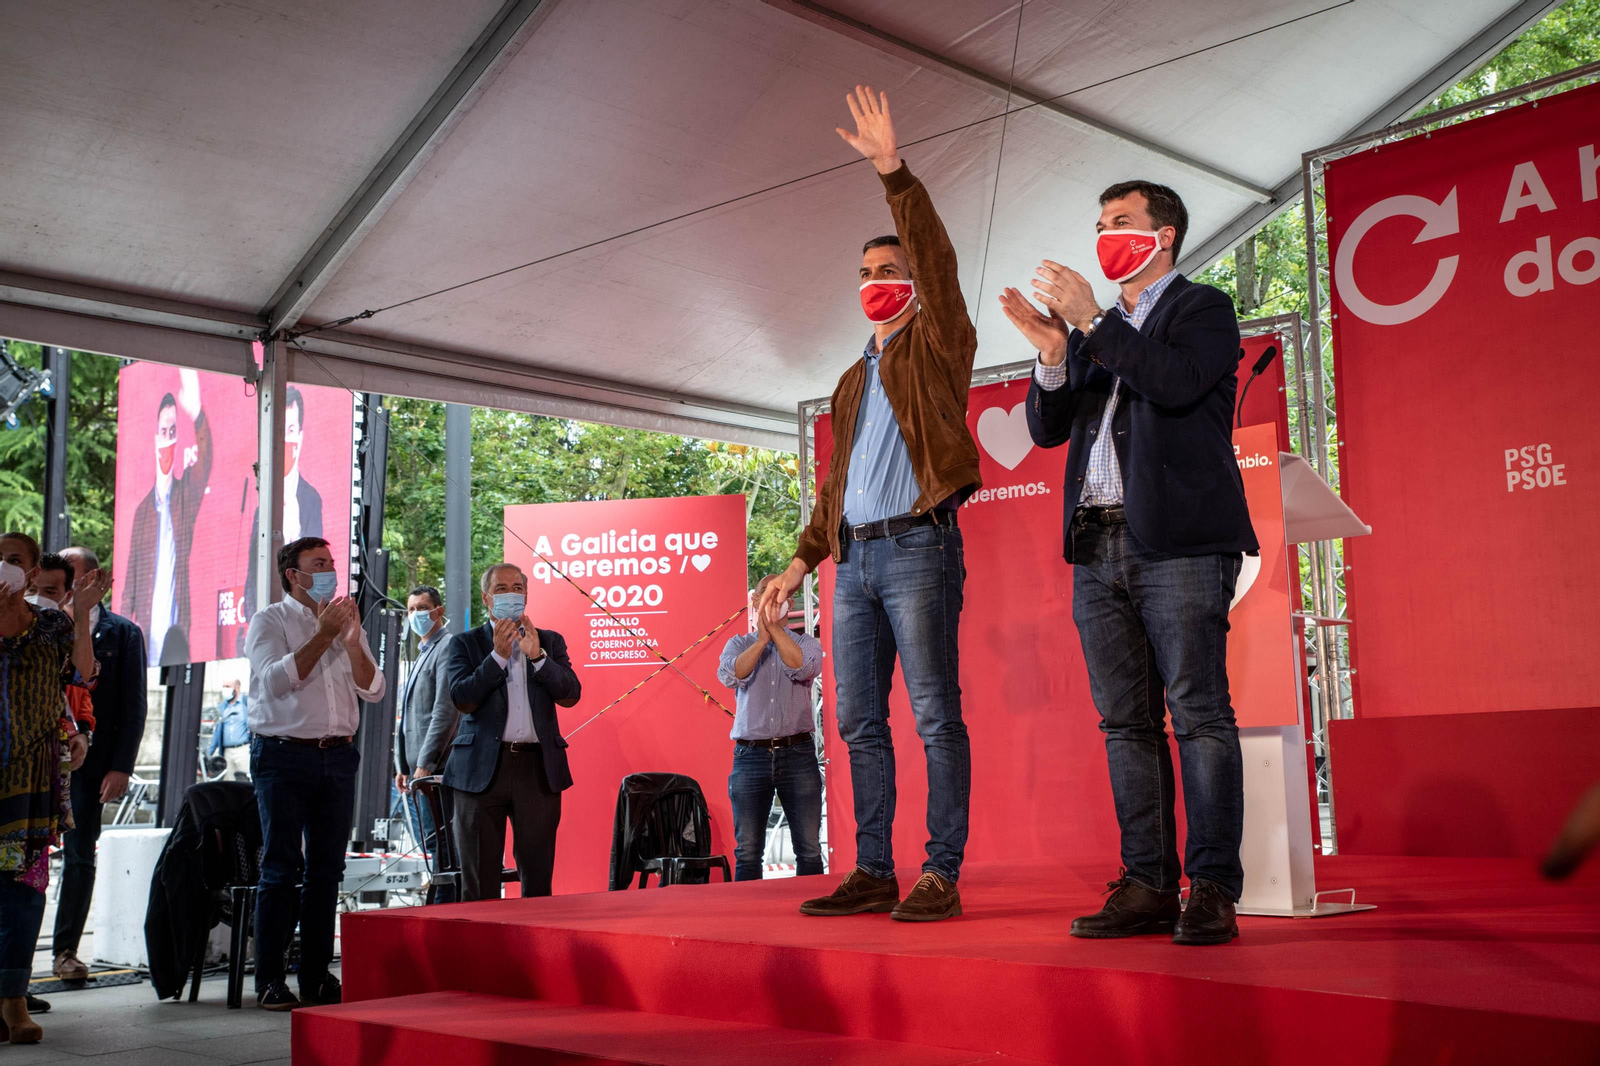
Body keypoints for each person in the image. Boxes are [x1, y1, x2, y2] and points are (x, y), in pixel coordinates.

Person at [999, 180, 1257, 946]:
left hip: (1175, 542)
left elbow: (1173, 384)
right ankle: (1146, 883)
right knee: (1124, 723)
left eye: (1121, 222)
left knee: (1199, 715)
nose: (1106, 233)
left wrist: (1088, 320)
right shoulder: (1094, 335)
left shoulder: (1201, 308)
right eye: (1101, 222)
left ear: (1164, 236)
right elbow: (1049, 430)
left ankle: (1211, 887)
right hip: (1096, 545)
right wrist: (1053, 353)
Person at [759, 86, 981, 923]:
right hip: (852, 561)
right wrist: (799, 561)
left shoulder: (937, 343)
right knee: (857, 720)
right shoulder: (851, 379)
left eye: (890, 272)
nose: (876, 282)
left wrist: (893, 172)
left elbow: (941, 266)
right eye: (865, 274)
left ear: (914, 287)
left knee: (933, 715)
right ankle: (875, 867)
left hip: (921, 547)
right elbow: (833, 488)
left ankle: (940, 871)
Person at [243, 536, 383, 1010]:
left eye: (331, 563)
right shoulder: (270, 620)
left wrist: (350, 641)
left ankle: (317, 975)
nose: (329, 571)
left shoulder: (344, 619)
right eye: (317, 564)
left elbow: (375, 688)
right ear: (293, 575)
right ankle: (269, 979)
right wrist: (323, 635)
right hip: (284, 756)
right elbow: (274, 681)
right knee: (280, 869)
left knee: (328, 871)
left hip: (339, 756)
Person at [0, 532, 106, 1044]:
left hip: (35, 780)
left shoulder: (51, 622)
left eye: (15, 560)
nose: (7, 568)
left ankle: (14, 1000)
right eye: (0, 560)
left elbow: (84, 674)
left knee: (24, 892)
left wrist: (82, 613)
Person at [40, 547, 146, 983]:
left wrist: (120, 765)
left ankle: (65, 949)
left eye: (74, 576)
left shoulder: (123, 633)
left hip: (89, 763)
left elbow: (132, 705)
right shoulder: (40, 627)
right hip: (38, 760)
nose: (68, 586)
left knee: (80, 856)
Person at [444, 564, 580, 901]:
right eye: (502, 588)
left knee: (537, 877)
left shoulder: (549, 640)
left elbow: (571, 694)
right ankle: (480, 951)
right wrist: (498, 657)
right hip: (479, 771)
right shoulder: (465, 643)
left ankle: (534, 949)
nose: (511, 594)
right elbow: (462, 699)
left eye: (517, 587)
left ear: (527, 595)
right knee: (478, 881)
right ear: (486, 597)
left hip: (536, 770)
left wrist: (538, 658)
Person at [717, 576, 825, 881]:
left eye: (780, 595)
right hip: (750, 756)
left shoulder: (805, 642)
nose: (773, 599)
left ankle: (812, 910)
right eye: (767, 594)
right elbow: (730, 675)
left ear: (789, 604)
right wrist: (763, 639)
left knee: (808, 848)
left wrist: (774, 630)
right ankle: (747, 923)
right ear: (754, 600)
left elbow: (804, 667)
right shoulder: (738, 644)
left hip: (799, 754)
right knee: (748, 851)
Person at [121, 368, 211, 666]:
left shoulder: (186, 495)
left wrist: (196, 412)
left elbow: (205, 459)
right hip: (145, 636)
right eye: (164, 432)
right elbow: (129, 588)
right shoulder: (142, 512)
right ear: (154, 437)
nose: (169, 439)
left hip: (176, 636)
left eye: (174, 432)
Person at [241, 386, 324, 649]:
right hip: (272, 617)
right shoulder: (261, 506)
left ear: (300, 435)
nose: (286, 441)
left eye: (291, 431)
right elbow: (252, 572)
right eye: (281, 432)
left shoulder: (311, 498)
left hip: (308, 620)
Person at [393, 585, 457, 900]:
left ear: (438, 610)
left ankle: (447, 908)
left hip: (437, 768)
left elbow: (444, 711)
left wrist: (425, 763)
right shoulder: (423, 650)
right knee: (433, 843)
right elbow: (410, 715)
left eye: (422, 607)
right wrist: (403, 765)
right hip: (418, 769)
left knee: (443, 844)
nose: (416, 615)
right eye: (411, 609)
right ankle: (441, 902)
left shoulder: (447, 646)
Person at [208, 680, 251, 781]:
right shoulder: (222, 706)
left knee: (244, 781)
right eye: (223, 686)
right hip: (227, 751)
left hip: (243, 749)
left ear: (237, 688)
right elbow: (217, 732)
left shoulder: (246, 703)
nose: (225, 689)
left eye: (227, 686)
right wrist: (209, 753)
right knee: (228, 782)